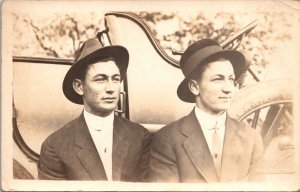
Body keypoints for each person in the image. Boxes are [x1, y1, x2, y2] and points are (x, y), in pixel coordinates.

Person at [149, 39, 264, 183]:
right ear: (194, 87)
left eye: (231, 79)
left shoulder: (251, 138)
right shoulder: (167, 140)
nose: (228, 88)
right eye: (218, 80)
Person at [37, 37, 151, 181]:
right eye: (100, 79)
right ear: (79, 87)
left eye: (115, 79)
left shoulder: (140, 137)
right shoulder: (55, 146)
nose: (110, 89)